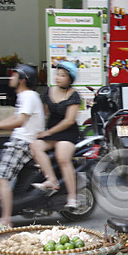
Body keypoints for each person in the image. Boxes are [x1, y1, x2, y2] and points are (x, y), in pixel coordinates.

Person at [0, 65, 45, 230]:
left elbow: (19, 121)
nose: (10, 78)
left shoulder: (28, 96)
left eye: (13, 76)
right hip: (18, 139)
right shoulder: (24, 96)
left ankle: (6, 220)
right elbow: (16, 117)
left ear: (22, 80)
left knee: (2, 177)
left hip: (23, 142)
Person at [29, 61, 81, 209]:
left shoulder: (74, 96)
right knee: (35, 145)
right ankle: (52, 180)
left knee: (62, 156)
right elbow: (45, 113)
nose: (58, 77)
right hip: (51, 132)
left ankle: (72, 197)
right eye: (57, 74)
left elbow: (69, 120)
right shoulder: (49, 91)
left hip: (67, 133)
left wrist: (49, 132)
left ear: (70, 79)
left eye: (62, 75)